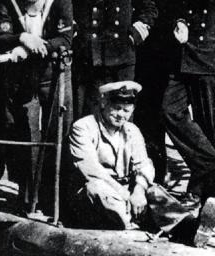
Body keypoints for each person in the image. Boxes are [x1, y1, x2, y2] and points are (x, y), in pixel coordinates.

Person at [0, 0, 73, 213]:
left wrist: (37, 46)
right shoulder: (9, 1)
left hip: (54, 76)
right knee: (25, 134)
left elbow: (65, 39)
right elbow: (0, 37)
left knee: (57, 135)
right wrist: (22, 38)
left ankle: (55, 201)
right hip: (23, 79)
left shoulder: (61, 0)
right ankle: (28, 197)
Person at [66, 81, 191, 234]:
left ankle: (188, 227)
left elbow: (144, 164)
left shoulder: (131, 130)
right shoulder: (83, 127)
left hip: (125, 189)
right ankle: (141, 224)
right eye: (117, 108)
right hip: (92, 191)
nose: (121, 115)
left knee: (154, 192)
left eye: (126, 110)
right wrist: (127, 196)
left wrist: (139, 190)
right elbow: (92, 170)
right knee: (101, 191)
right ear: (104, 103)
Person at [162, 0, 215, 204]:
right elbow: (178, 6)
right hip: (183, 56)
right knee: (169, 110)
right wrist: (179, 21)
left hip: (209, 58)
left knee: (210, 125)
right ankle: (209, 166)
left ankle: (204, 192)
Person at [134, 0, 181, 184]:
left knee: (169, 115)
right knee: (147, 118)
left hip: (173, 63)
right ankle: (155, 175)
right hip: (146, 61)